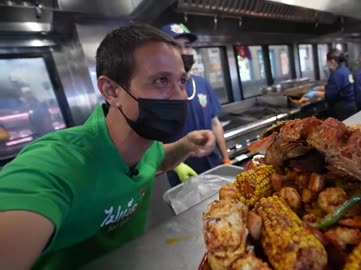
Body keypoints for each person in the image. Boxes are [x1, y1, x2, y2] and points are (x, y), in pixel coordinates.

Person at [0, 24, 216, 269]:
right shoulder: (54, 166)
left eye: (181, 81)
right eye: (161, 81)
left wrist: (186, 145)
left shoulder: (146, 145)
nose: (179, 97)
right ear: (112, 91)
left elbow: (158, 160)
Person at [160, 23, 230, 186]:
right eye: (176, 47)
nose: (184, 52)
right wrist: (176, 165)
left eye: (188, 46)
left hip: (213, 167)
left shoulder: (202, 84)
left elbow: (215, 123)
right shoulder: (159, 92)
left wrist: (226, 158)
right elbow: (151, 139)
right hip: (181, 175)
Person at [323, 49, 357, 120]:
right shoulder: (345, 69)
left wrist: (315, 93)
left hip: (341, 109)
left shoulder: (336, 74)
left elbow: (330, 95)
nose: (328, 65)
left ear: (332, 61)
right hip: (351, 105)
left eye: (328, 62)